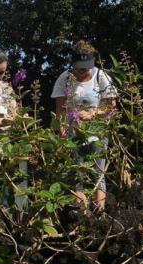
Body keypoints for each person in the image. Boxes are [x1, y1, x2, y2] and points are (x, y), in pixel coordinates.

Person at [51, 40, 117, 210]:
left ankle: (100, 212)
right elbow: (60, 111)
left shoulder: (101, 77)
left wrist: (93, 113)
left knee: (98, 174)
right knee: (76, 175)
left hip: (97, 134)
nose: (83, 72)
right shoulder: (64, 79)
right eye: (79, 68)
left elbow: (112, 108)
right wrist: (63, 134)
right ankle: (82, 214)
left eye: (86, 68)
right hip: (74, 136)